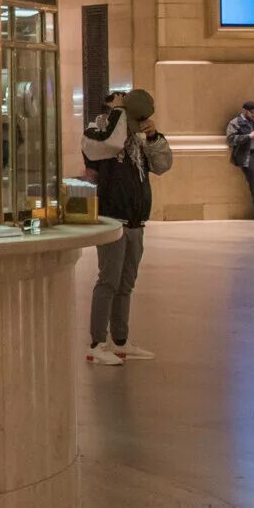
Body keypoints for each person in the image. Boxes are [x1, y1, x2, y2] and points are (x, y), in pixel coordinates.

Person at [79, 88, 172, 366]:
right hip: (111, 219)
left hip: (136, 220)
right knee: (108, 281)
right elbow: (111, 143)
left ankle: (120, 341)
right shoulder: (97, 134)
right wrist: (120, 114)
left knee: (126, 283)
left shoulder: (140, 142)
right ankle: (97, 343)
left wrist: (153, 137)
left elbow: (163, 165)